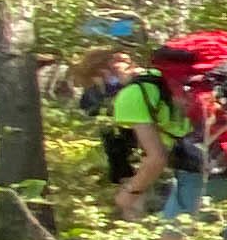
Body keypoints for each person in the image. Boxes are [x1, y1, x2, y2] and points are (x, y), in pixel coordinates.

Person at [71, 22, 175, 221]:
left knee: (151, 194)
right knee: (133, 190)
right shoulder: (97, 90)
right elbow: (90, 108)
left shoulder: (139, 84)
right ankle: (134, 227)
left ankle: (139, 226)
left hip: (147, 149)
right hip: (122, 150)